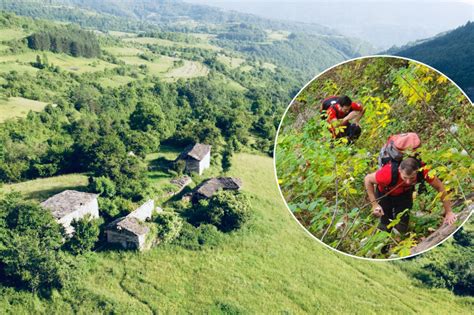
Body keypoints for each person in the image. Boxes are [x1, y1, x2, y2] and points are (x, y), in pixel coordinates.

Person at [364, 157, 457, 233]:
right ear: (400, 170)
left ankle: (399, 242)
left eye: (412, 178)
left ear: (417, 171)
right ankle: (383, 248)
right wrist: (375, 204)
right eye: (405, 178)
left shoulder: (423, 171)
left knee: (402, 224)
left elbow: (440, 187)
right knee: (385, 224)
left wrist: (449, 211)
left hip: (404, 194)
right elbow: (368, 179)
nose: (408, 181)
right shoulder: (387, 174)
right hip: (384, 194)